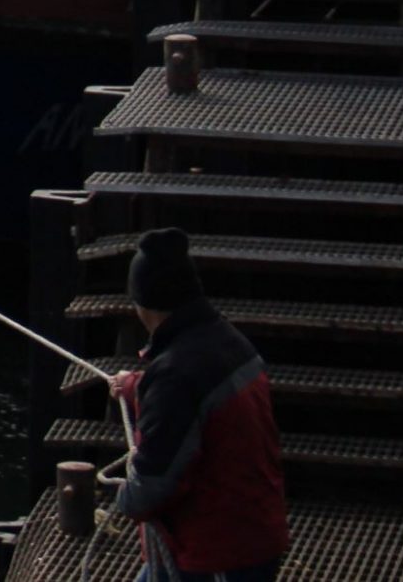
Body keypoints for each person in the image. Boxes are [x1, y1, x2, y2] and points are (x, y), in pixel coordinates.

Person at [104, 228, 289, 582]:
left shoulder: (174, 377)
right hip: (257, 533)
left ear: (142, 303)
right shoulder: (228, 341)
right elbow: (198, 403)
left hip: (218, 556)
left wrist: (122, 498)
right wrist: (136, 387)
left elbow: (152, 486)